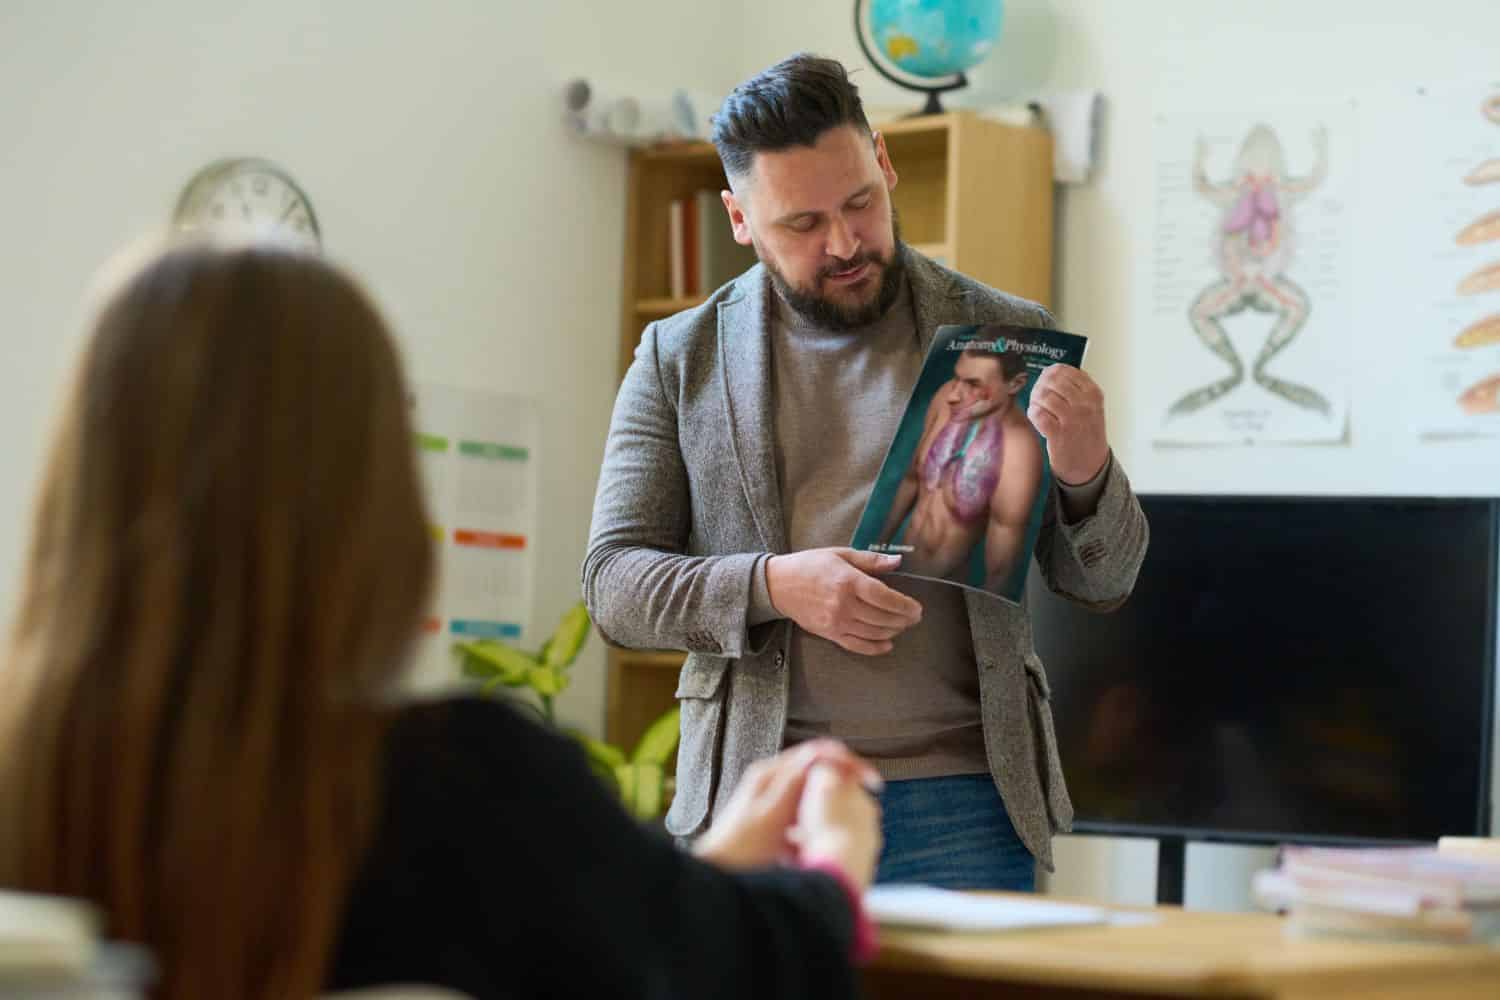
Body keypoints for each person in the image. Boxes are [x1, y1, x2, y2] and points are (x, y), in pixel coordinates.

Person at [0, 240, 883, 1000]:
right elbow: (734, 971)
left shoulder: (39, 793)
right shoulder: (465, 787)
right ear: (365, 492)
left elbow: (623, 933)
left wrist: (707, 872)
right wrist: (834, 875)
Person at [584, 54, 1149, 891]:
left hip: (974, 801)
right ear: (740, 219)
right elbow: (615, 587)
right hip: (767, 798)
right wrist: (777, 586)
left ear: (884, 164)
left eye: (859, 203)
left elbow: (1106, 580)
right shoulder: (680, 357)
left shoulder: (1004, 331)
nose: (844, 243)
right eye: (802, 224)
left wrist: (1086, 471)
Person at [877, 344, 1043, 591]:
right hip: (894, 574)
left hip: (944, 597)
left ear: (1016, 384)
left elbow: (999, 573)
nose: (954, 395)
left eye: (973, 384)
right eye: (957, 378)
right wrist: (877, 551)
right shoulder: (946, 397)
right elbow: (913, 477)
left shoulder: (1020, 449)